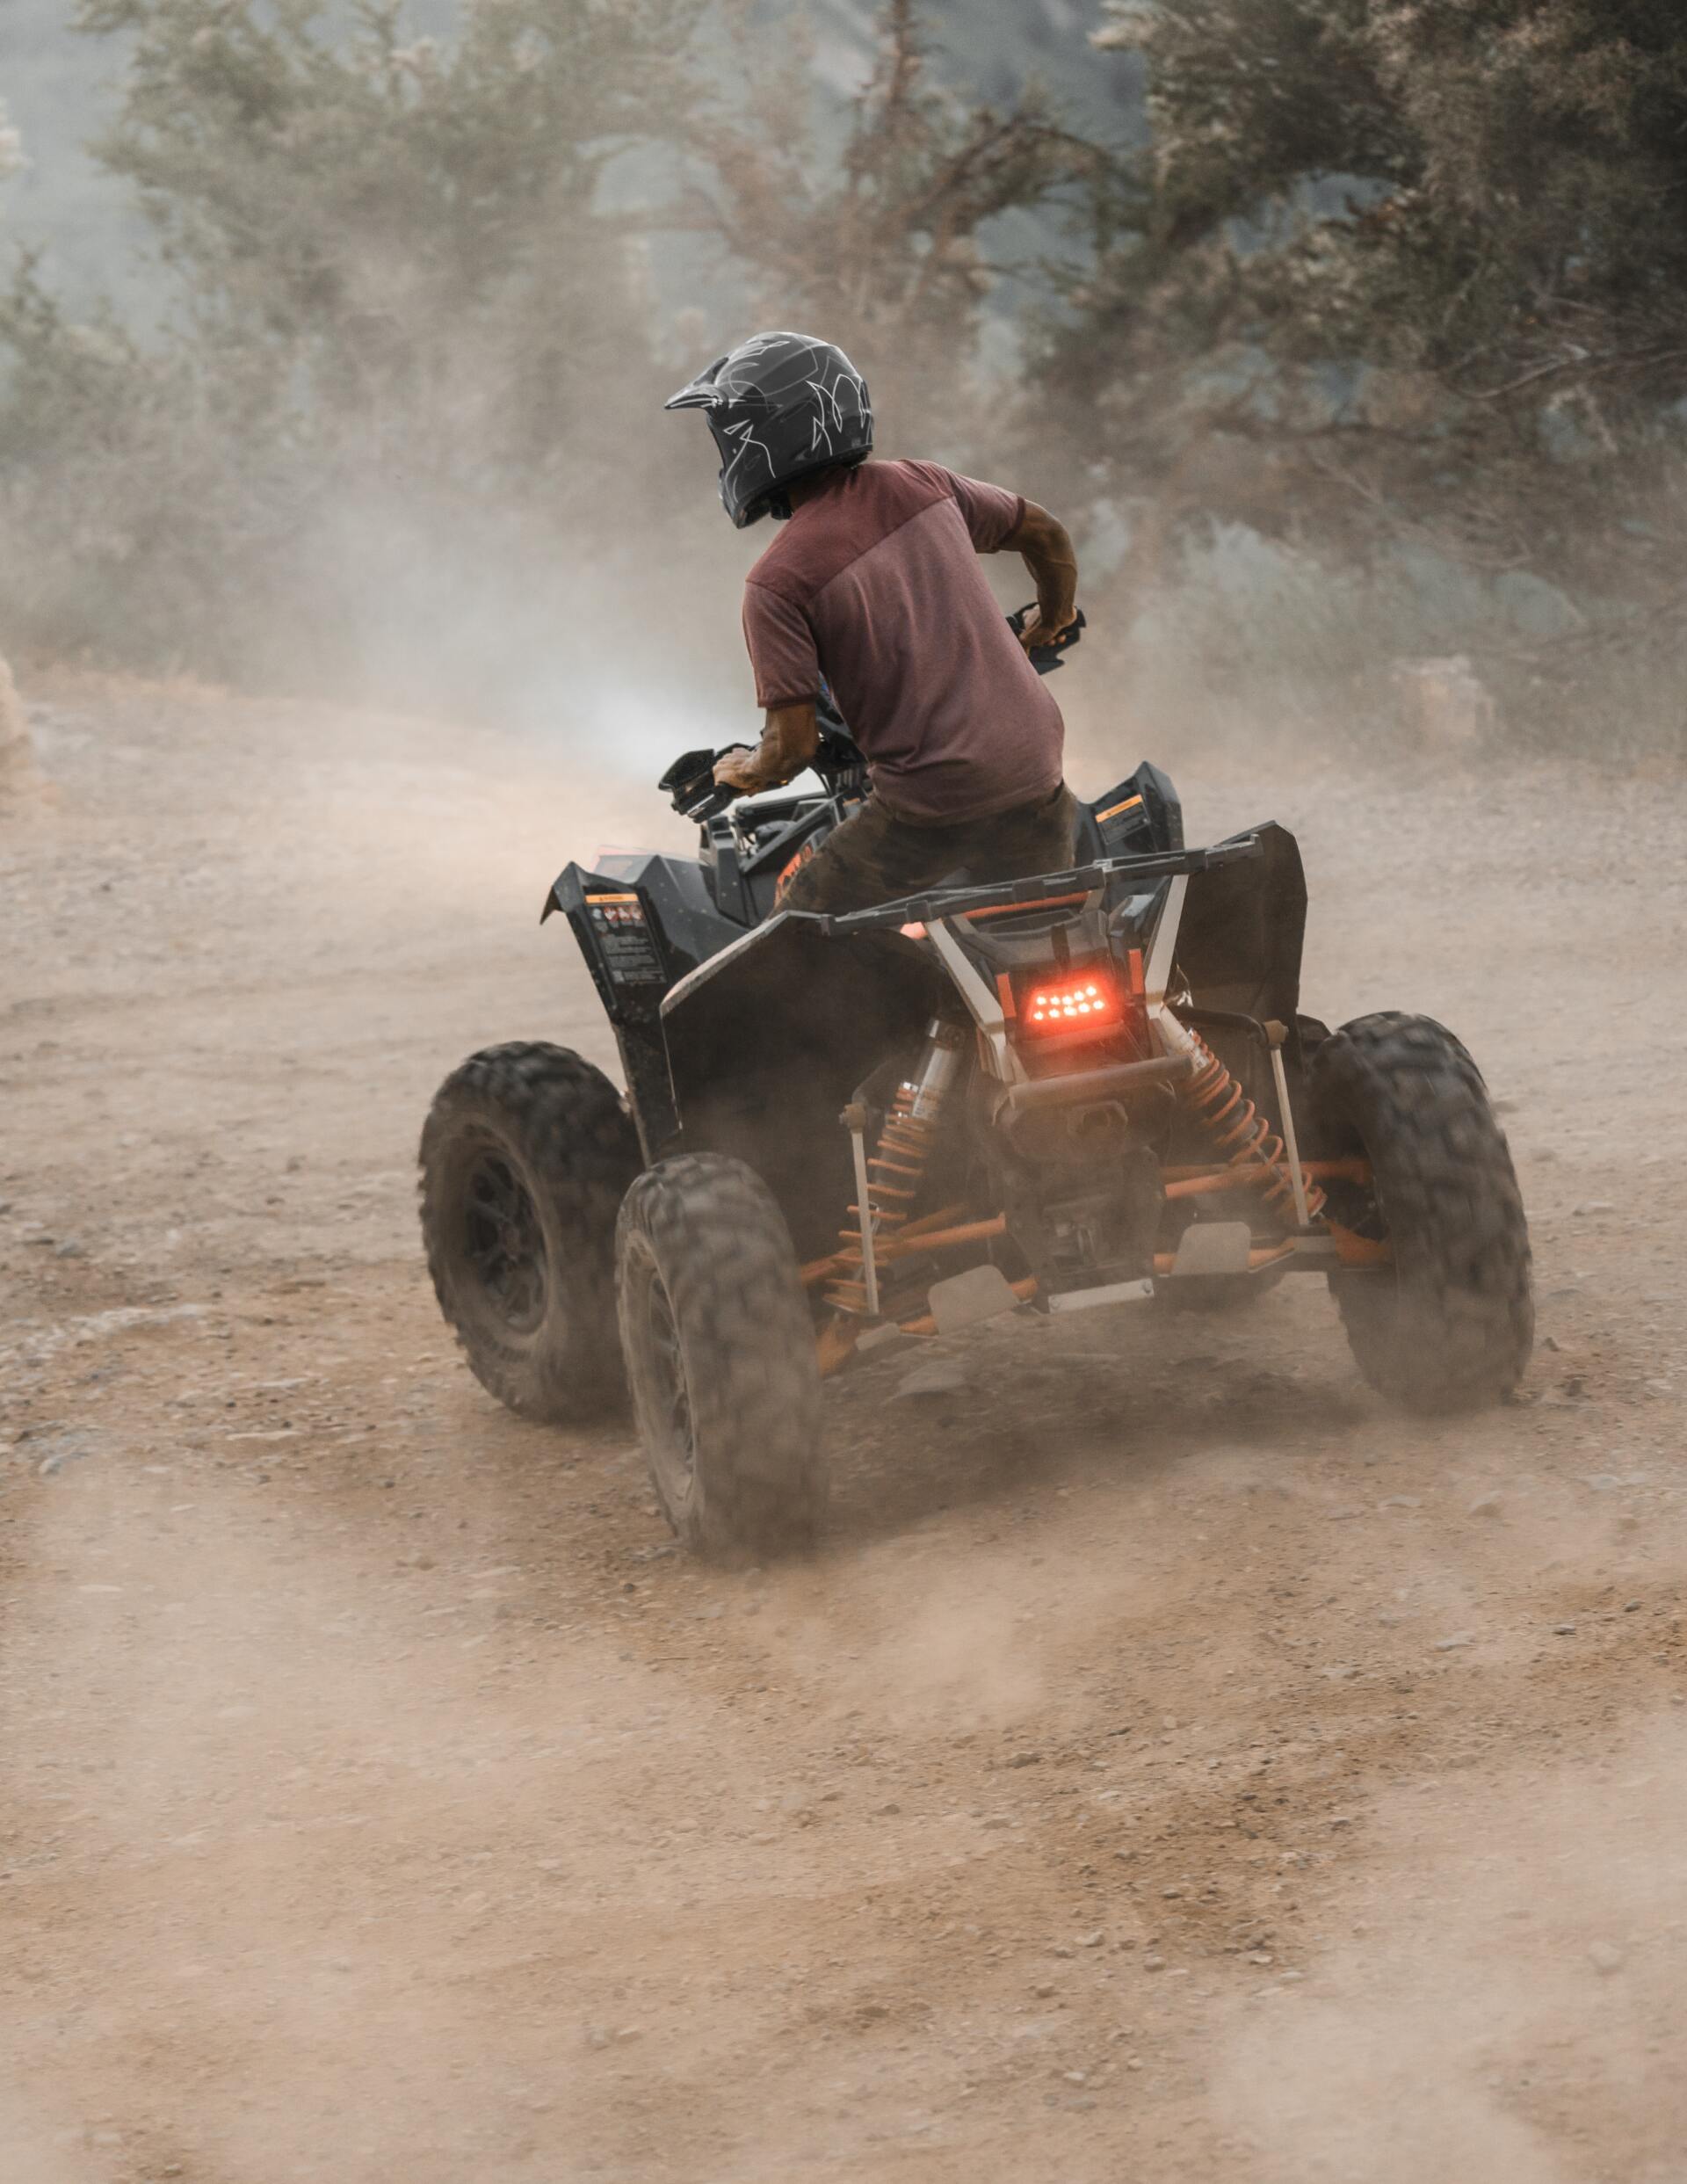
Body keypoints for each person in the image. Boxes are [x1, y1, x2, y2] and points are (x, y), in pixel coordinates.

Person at [665, 330, 1082, 916]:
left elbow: (790, 749)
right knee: (1039, 929)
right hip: (1038, 773)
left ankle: (916, 1003)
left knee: (799, 925)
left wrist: (743, 772)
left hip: (934, 806)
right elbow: (1046, 534)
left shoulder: (776, 582)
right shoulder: (926, 484)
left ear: (761, 439)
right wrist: (1051, 619)